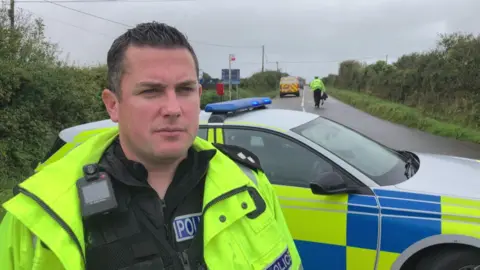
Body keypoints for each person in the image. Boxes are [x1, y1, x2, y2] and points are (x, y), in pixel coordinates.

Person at [0, 22, 302, 270]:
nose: (173, 108)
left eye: (184, 90)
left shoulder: (249, 183)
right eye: (151, 91)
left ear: (199, 95)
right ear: (113, 104)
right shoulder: (38, 214)